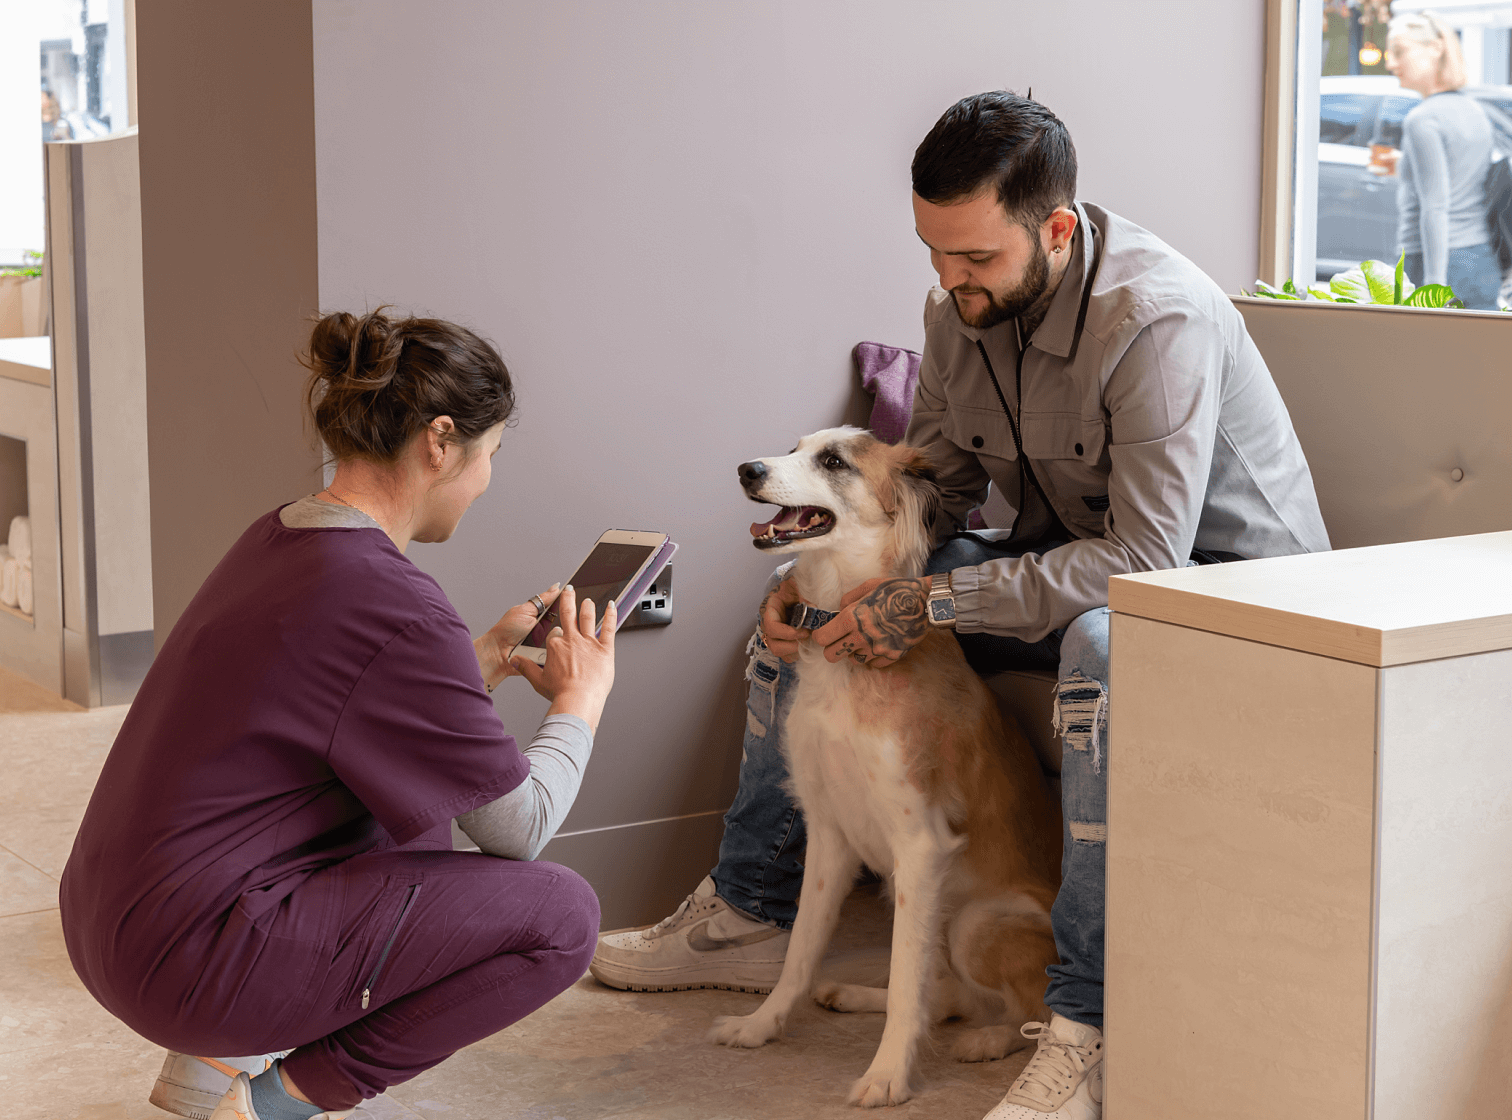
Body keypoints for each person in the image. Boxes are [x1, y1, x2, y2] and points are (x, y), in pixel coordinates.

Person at [589, 92, 1330, 1120]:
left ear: (1057, 228)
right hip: (1071, 557)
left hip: (1234, 593)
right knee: (799, 612)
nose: (948, 284)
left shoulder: (1155, 321)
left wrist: (933, 602)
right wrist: (821, 582)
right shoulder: (960, 314)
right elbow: (928, 496)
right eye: (935, 254)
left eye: (974, 258)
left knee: (1101, 647)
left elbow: (1148, 558)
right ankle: (753, 908)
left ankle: (1081, 1022)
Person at [59, 310, 617, 1120]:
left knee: (416, 804)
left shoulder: (285, 535)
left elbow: (330, 708)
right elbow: (520, 827)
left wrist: (479, 661)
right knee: (564, 918)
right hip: (186, 962)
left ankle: (204, 1073)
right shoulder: (393, 602)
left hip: (117, 926)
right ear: (439, 441)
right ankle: (275, 1104)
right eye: (489, 455)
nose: (487, 480)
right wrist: (582, 699)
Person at [1386, 10, 1503, 310]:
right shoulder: (1475, 110)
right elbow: (1467, 177)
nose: (1391, 63)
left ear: (1435, 49)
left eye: (1400, 52)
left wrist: (1434, 288)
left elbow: (1435, 207)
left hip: (1434, 260)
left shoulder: (1422, 119)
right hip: (1480, 259)